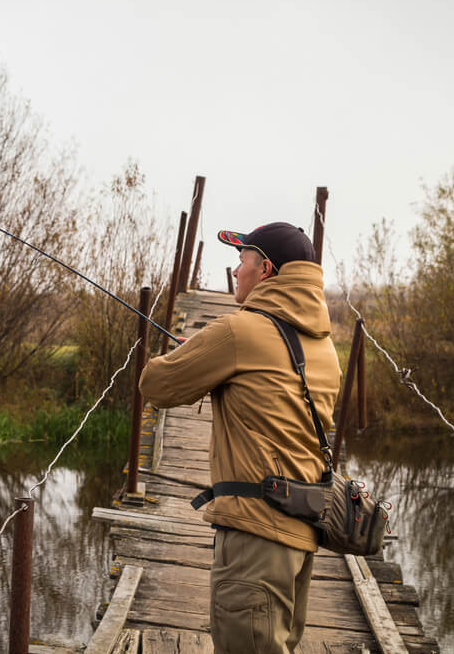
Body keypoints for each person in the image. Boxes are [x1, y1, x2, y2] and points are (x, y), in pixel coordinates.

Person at [139, 222, 341, 654]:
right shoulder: (323, 347)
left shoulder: (237, 331)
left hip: (255, 536)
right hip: (301, 531)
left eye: (242, 259)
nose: (235, 270)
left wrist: (191, 352)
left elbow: (157, 386)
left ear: (265, 269)